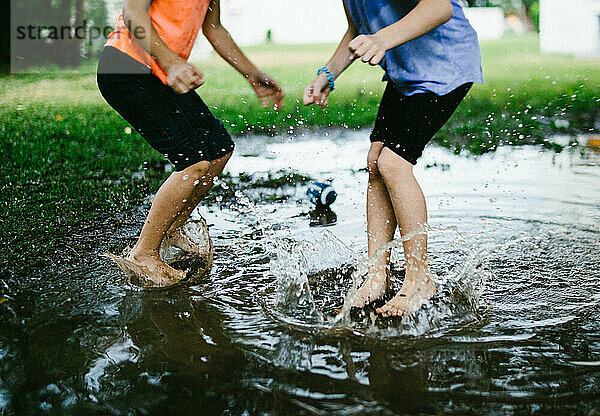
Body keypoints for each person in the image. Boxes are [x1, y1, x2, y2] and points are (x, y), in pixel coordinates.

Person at [303, 0, 482, 317]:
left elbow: (440, 7)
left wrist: (382, 40)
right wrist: (328, 75)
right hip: (406, 73)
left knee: (393, 163)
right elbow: (358, 29)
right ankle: (376, 276)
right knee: (375, 164)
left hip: (443, 66)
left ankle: (419, 280)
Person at [98, 0, 284, 288]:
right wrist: (172, 62)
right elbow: (133, 12)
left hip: (162, 72)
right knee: (194, 161)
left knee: (219, 148)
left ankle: (172, 229)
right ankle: (143, 254)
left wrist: (252, 74)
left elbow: (213, 27)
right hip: (127, 67)